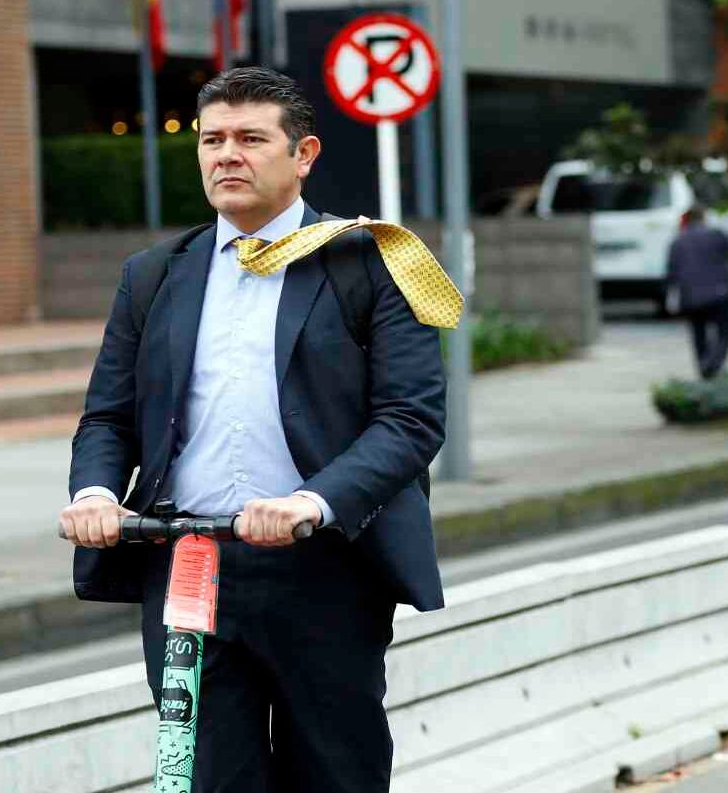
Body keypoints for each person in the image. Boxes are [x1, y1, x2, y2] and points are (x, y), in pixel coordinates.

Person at [59, 68, 449, 792]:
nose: (226, 155)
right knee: (207, 780)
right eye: (212, 140)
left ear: (303, 154)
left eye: (250, 138)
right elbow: (108, 417)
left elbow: (411, 419)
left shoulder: (375, 262)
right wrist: (95, 493)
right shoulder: (152, 275)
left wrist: (313, 501)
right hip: (187, 566)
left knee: (337, 773)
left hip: (325, 568)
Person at [667, 206, 728, 379]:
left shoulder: (678, 241)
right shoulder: (716, 235)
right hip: (719, 293)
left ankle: (704, 369)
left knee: (699, 334)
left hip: (690, 296)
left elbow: (671, 273)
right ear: (704, 217)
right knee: (725, 331)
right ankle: (712, 364)